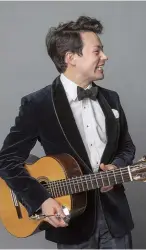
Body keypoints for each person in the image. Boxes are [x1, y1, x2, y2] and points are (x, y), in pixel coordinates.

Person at [0, 16, 135, 249]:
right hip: (72, 224)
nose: (105, 57)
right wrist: (40, 200)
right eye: (97, 51)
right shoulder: (38, 104)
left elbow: (127, 147)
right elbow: (7, 160)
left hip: (116, 220)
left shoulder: (111, 99)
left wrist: (118, 166)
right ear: (71, 58)